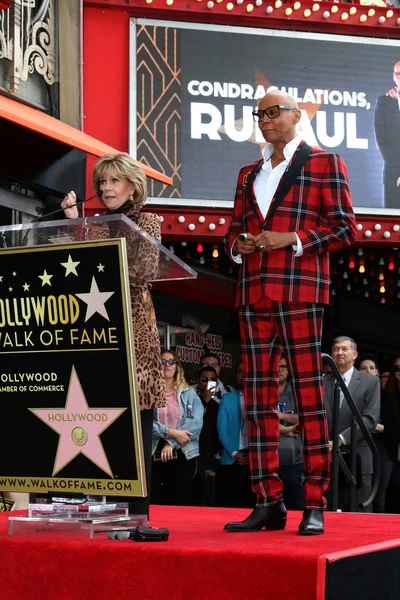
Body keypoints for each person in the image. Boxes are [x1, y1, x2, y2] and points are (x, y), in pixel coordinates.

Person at [223, 90, 356, 535]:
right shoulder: (247, 173)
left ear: (298, 116)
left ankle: (314, 502)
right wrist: (238, 248)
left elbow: (344, 228)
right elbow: (232, 232)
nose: (265, 119)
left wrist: (292, 239)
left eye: (274, 112)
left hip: (300, 291)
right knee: (256, 403)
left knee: (309, 398)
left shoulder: (324, 162)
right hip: (253, 293)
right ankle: (268, 501)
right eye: (259, 114)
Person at [61, 152, 166, 515]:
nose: (106, 188)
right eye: (101, 182)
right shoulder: (93, 224)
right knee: (98, 423)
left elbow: (144, 270)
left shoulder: (147, 221)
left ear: (132, 185)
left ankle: (136, 510)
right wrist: (75, 224)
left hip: (134, 337)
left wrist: (93, 245)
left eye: (113, 180)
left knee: (133, 432)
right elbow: (73, 274)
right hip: (97, 337)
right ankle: (97, 504)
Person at [324, 336, 380, 512]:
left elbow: (370, 420)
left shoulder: (369, 381)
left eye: (344, 349)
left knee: (359, 517)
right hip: (328, 460)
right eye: (336, 349)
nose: (339, 352)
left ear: (354, 354)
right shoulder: (322, 381)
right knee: (330, 513)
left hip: (358, 459)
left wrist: (340, 439)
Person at [151, 350, 203, 506]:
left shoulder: (189, 393)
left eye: (171, 361)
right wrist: (170, 432)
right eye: (162, 361)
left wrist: (171, 443)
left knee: (181, 498)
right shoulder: (149, 392)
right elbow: (144, 423)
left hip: (183, 450)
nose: (167, 365)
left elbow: (197, 423)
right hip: (155, 450)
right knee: (157, 500)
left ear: (177, 367)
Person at [217, 360, 255, 508]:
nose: (244, 375)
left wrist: (251, 455)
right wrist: (234, 453)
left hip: (254, 461)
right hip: (231, 459)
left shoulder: (261, 399)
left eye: (247, 371)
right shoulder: (227, 399)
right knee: (230, 504)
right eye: (240, 372)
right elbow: (222, 430)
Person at [276, 356, 304, 511]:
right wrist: (286, 429)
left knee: (296, 506)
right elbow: (258, 419)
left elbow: (306, 418)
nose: (279, 370)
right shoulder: (263, 390)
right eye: (276, 366)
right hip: (268, 459)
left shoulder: (297, 391)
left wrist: (282, 416)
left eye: (283, 367)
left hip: (295, 460)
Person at [374, 61, 400, 208]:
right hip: (393, 175)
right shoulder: (384, 102)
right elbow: (382, 140)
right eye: (398, 74)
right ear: (394, 77)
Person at [194, 365, 222, 505]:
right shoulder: (191, 402)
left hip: (213, 459)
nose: (208, 383)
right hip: (192, 458)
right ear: (198, 381)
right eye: (204, 379)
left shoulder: (219, 407)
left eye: (212, 380)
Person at [377, 356, 400, 513]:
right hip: (388, 449)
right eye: (397, 368)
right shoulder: (386, 395)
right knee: (390, 491)